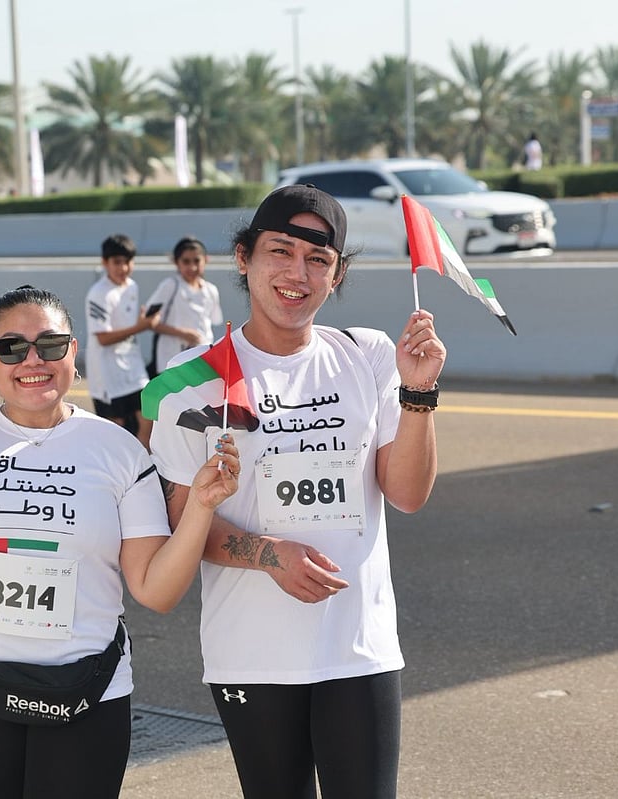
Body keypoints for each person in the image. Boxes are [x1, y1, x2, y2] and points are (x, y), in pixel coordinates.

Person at [0, 285, 240, 799]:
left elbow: (157, 591)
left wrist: (199, 506)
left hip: (90, 691)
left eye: (50, 344)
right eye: (11, 348)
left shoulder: (121, 450)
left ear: (73, 351)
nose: (32, 361)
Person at [148, 185, 446, 799]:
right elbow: (182, 524)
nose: (297, 274)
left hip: (358, 649)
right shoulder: (188, 383)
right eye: (280, 252)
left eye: (318, 260)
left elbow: (408, 495)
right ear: (243, 258)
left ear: (336, 276)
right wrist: (269, 555)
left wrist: (418, 393)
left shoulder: (368, 355)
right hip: (251, 654)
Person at [84, 234, 159, 448]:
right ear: (105, 262)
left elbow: (127, 324)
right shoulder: (98, 294)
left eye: (128, 261)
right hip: (108, 374)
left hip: (133, 368)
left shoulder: (131, 287)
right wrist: (141, 326)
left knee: (148, 418)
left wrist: (142, 322)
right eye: (117, 262)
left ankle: (143, 463)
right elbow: (103, 338)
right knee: (114, 434)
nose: (123, 268)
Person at [144, 235, 223, 377]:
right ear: (176, 262)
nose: (192, 267)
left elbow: (211, 323)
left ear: (206, 260)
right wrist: (183, 333)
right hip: (172, 362)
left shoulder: (211, 290)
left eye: (197, 261)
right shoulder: (170, 286)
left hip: (201, 361)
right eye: (186, 261)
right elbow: (149, 321)